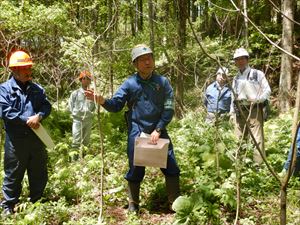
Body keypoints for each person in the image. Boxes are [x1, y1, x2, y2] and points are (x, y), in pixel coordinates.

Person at [85, 44, 180, 212]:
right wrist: (102, 101)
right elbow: (116, 105)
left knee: (170, 165)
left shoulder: (163, 82)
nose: (147, 62)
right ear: (135, 64)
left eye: (149, 58)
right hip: (137, 130)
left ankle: (175, 203)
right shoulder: (130, 84)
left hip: (159, 129)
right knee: (135, 167)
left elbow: (169, 108)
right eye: (142, 60)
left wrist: (158, 129)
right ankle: (133, 204)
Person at [0, 50, 52, 215]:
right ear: (14, 70)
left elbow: (46, 106)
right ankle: (9, 205)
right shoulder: (4, 89)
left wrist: (40, 116)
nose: (27, 71)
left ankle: (37, 201)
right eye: (23, 68)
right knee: (13, 172)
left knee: (38, 171)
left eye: (29, 67)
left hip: (36, 138)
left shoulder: (37, 89)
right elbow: (5, 111)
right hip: (16, 141)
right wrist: (27, 120)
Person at [231, 48, 271, 165]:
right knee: (239, 138)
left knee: (257, 139)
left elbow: (267, 91)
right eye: (237, 59)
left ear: (247, 59)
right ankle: (239, 165)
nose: (240, 61)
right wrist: (232, 112)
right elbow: (233, 96)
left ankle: (258, 165)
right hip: (239, 111)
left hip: (254, 109)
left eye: (242, 58)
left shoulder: (257, 74)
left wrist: (258, 99)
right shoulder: (236, 78)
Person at [69, 71, 95, 149]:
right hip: (77, 120)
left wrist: (91, 114)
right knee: (76, 141)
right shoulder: (75, 93)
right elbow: (70, 106)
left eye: (88, 79)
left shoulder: (93, 94)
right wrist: (75, 115)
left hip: (88, 120)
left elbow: (95, 107)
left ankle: (84, 159)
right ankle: (75, 160)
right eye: (84, 78)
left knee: (86, 142)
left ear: (90, 81)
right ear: (81, 80)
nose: (86, 80)